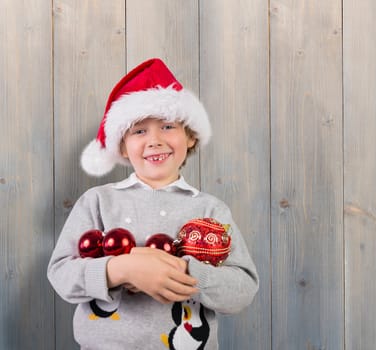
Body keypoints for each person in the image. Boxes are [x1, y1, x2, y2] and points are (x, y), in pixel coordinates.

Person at [47, 58, 259, 350]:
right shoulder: (97, 202)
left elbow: (243, 289)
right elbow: (61, 274)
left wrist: (185, 273)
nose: (154, 140)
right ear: (122, 144)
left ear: (191, 137)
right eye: (139, 131)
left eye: (168, 126)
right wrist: (121, 269)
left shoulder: (211, 210)